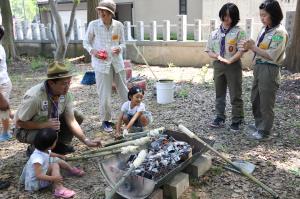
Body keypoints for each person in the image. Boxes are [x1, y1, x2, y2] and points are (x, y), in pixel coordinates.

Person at [14, 62, 101, 155]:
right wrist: (44, 125)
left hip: (48, 125)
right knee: (48, 132)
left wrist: (86, 140)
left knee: (77, 115)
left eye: (69, 83)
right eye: (64, 84)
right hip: (24, 130)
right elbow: (19, 123)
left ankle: (59, 145)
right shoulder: (35, 97)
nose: (67, 87)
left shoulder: (65, 94)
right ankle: (35, 150)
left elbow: (71, 120)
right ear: (51, 83)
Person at [240, 0, 288, 140]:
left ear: (273, 14)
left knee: (266, 102)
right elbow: (259, 48)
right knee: (255, 98)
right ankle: (259, 124)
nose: (262, 18)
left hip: (270, 69)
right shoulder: (264, 28)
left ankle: (265, 131)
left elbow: (272, 55)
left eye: (264, 15)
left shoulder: (279, 32)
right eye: (260, 15)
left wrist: (253, 47)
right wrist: (250, 46)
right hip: (259, 67)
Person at [83, 0, 128, 132]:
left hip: (117, 63)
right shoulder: (94, 25)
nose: (101, 13)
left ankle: (130, 115)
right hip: (101, 64)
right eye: (100, 10)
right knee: (104, 94)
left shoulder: (118, 26)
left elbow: (123, 43)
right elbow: (86, 42)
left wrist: (119, 48)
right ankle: (106, 121)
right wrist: (94, 52)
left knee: (124, 91)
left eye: (104, 11)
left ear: (111, 13)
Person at [205, 3, 246, 131]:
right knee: (219, 93)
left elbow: (241, 50)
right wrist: (218, 57)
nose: (227, 19)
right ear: (221, 15)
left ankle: (237, 119)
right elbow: (208, 50)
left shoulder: (239, 32)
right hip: (218, 65)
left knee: (235, 94)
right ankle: (219, 117)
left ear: (235, 17)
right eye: (224, 16)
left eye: (230, 16)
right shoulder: (214, 33)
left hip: (233, 65)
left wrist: (230, 60)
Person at [20, 128, 85, 198]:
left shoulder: (42, 149)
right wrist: (53, 178)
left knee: (56, 159)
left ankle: (71, 169)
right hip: (36, 182)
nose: (56, 143)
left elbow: (50, 154)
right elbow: (38, 175)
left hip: (42, 172)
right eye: (55, 142)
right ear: (50, 145)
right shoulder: (37, 158)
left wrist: (59, 155)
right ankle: (58, 188)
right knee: (55, 165)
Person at [0, 25, 13, 142]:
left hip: (2, 84)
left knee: (3, 109)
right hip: (4, 82)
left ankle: (6, 132)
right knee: (5, 107)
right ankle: (19, 121)